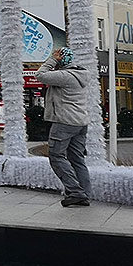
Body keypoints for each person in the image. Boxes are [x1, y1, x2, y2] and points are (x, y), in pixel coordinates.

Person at [36, 47, 91, 207]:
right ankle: (85, 194)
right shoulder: (80, 74)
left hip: (64, 122)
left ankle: (75, 192)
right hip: (80, 123)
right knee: (77, 159)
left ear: (61, 60)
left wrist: (53, 60)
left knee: (56, 156)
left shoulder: (65, 76)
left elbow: (40, 75)